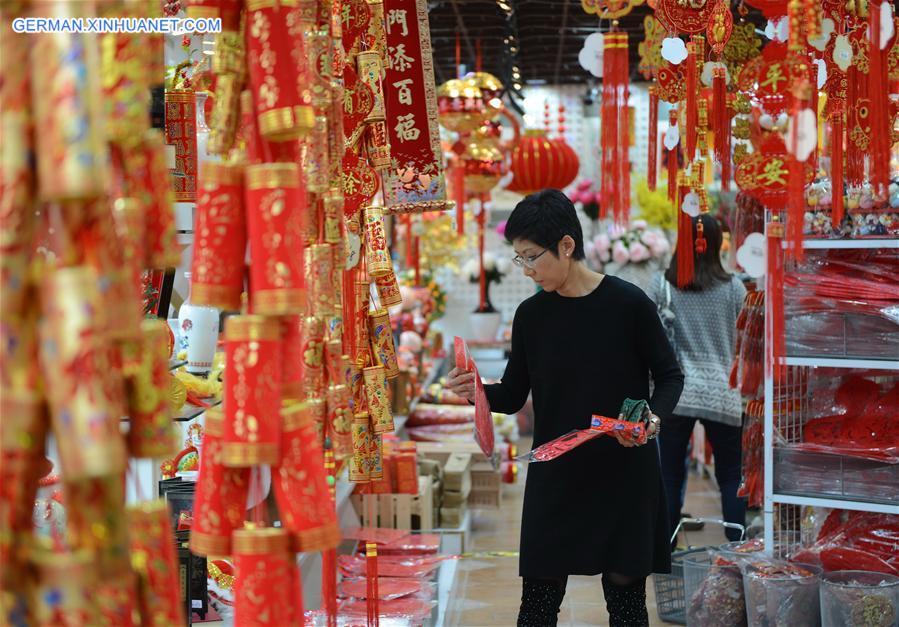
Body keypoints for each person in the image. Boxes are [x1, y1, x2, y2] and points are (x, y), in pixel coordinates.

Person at [445, 189, 684, 627]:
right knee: (537, 605)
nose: (527, 269)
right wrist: (474, 389)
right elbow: (513, 396)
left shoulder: (629, 305)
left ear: (567, 246)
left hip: (624, 472)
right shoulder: (532, 316)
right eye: (518, 258)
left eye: (532, 256)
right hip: (556, 474)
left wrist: (651, 420)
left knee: (627, 606)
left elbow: (670, 376)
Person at [650, 213, 747, 544]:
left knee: (669, 475)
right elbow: (745, 338)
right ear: (718, 243)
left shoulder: (662, 284)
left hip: (675, 393)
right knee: (731, 475)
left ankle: (665, 548)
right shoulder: (734, 288)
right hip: (724, 391)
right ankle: (738, 547)